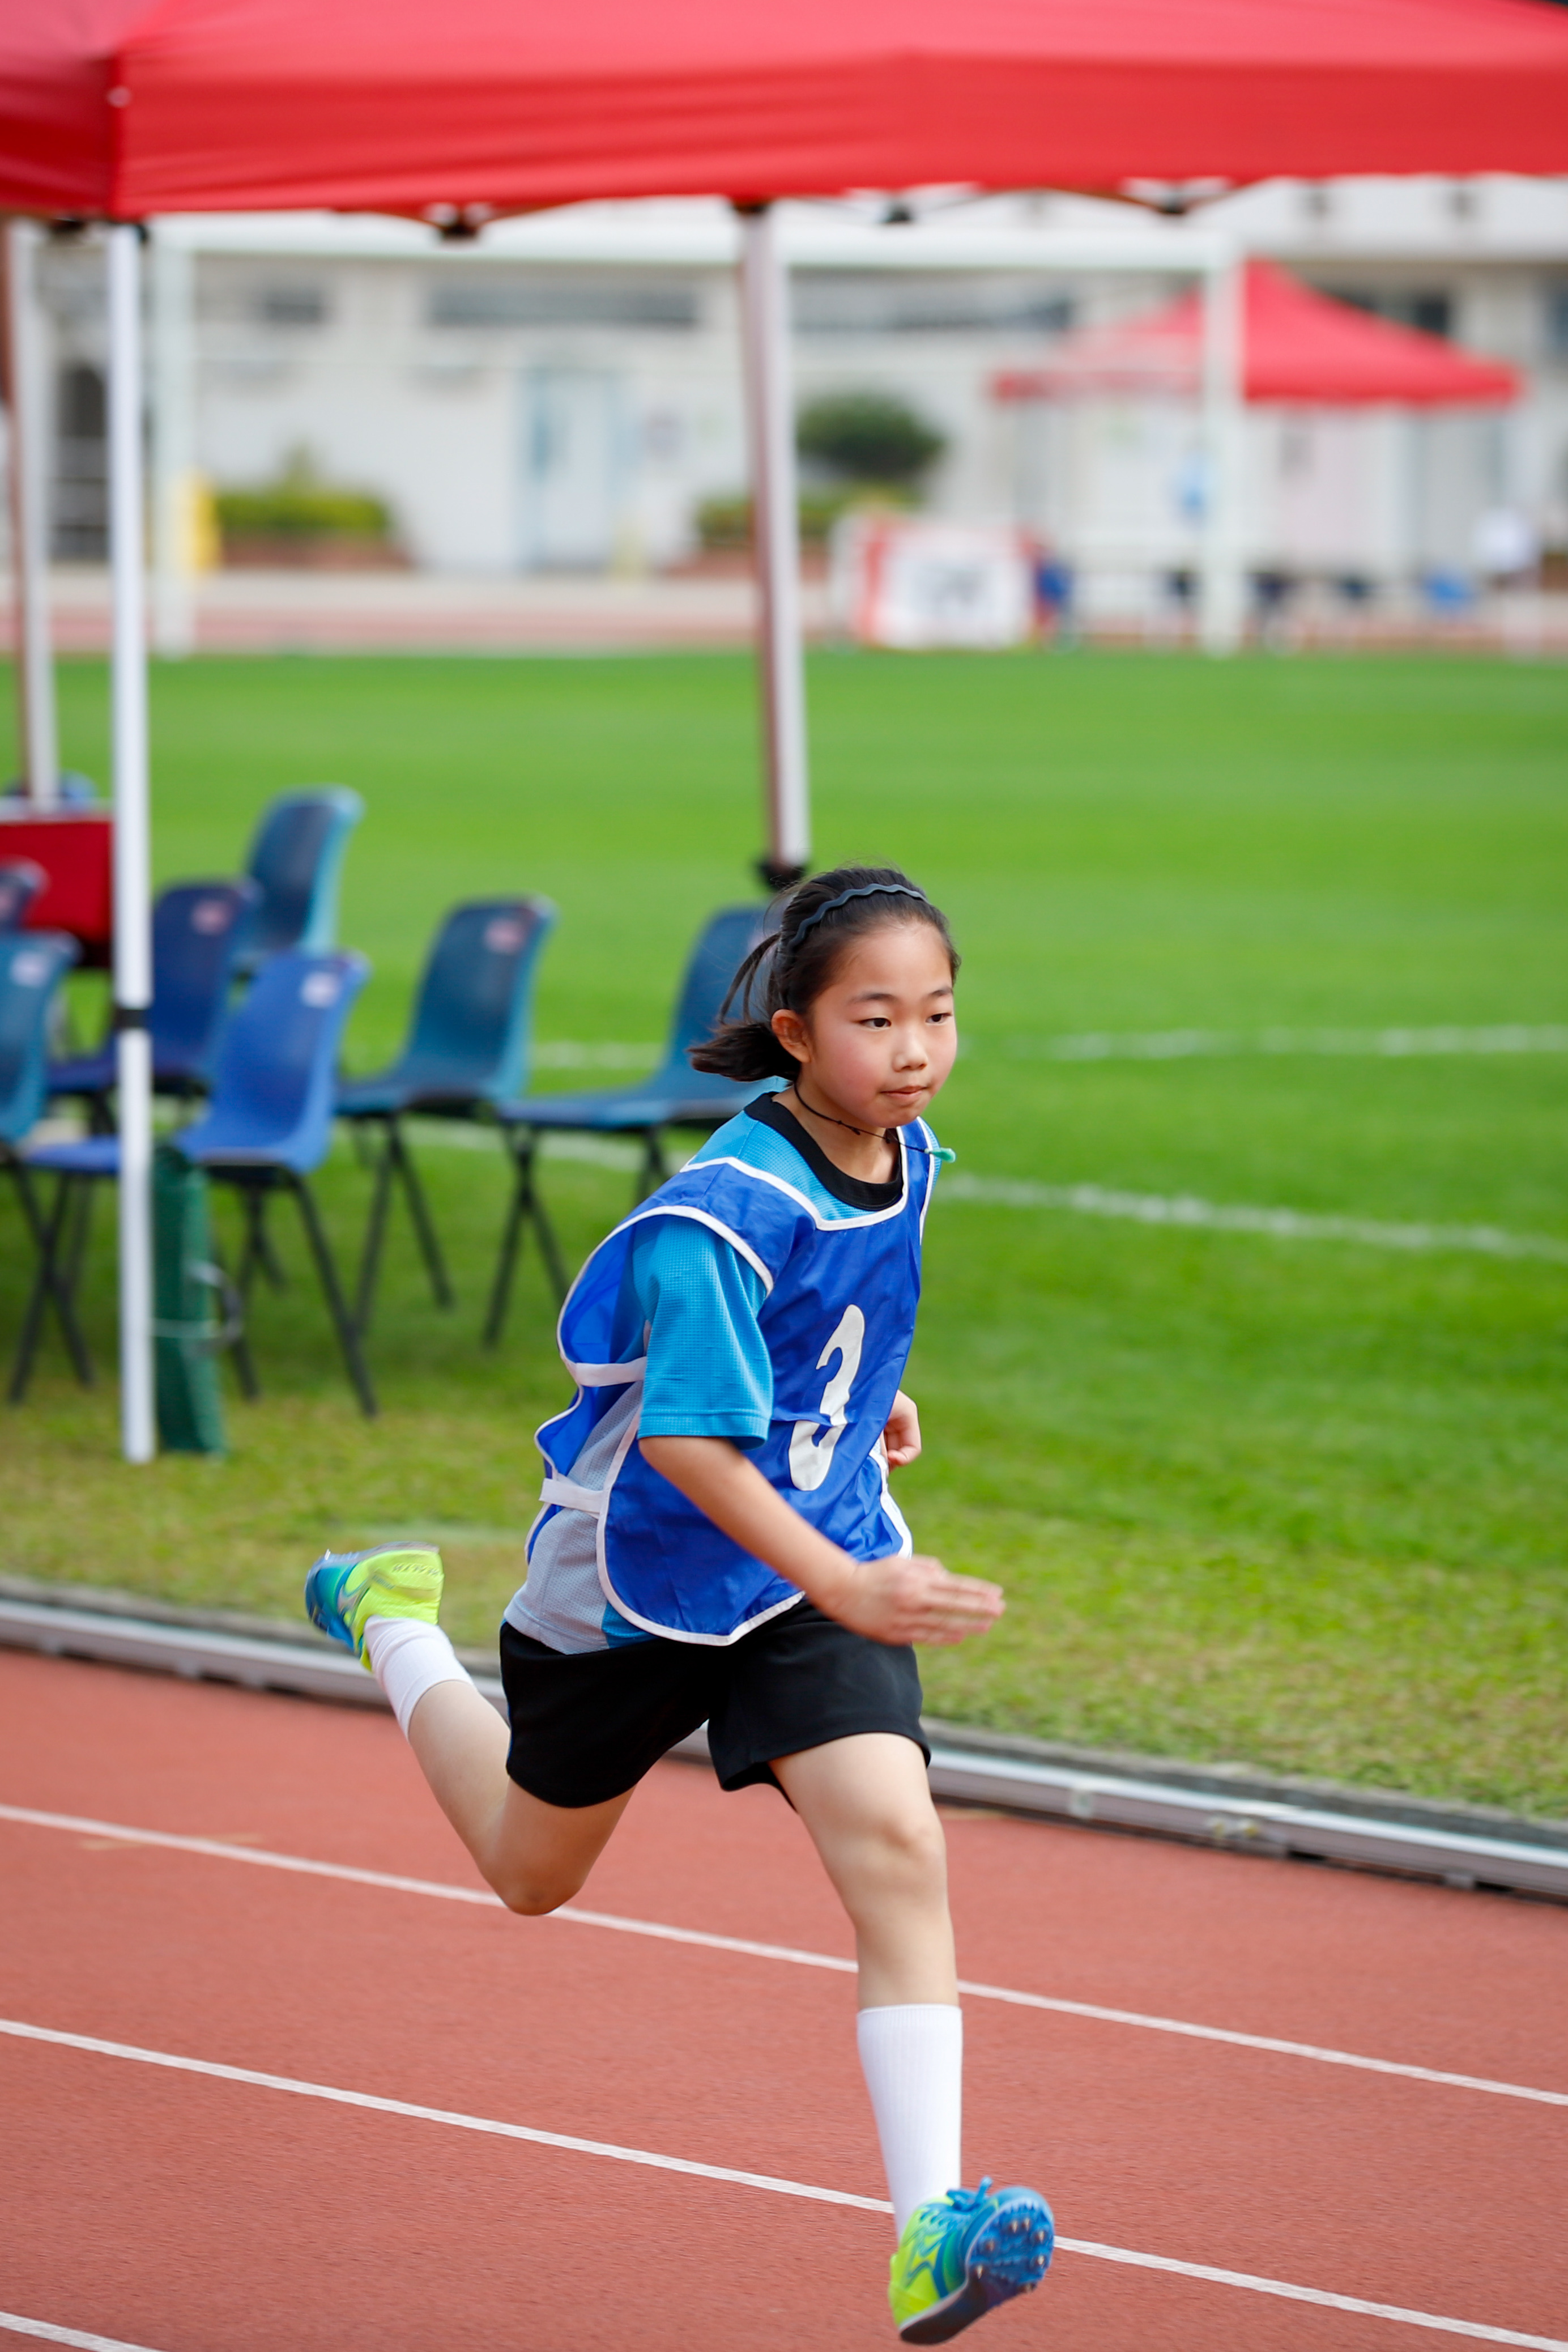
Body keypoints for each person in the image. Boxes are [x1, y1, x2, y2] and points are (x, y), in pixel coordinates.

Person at [304, 865, 1054, 2342]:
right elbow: (687, 1443)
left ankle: (930, 2230)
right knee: (530, 1873)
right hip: (641, 1582)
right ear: (795, 1034)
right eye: (877, 1020)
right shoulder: (721, 1212)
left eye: (939, 1015)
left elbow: (834, 1317)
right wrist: (848, 1578)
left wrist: (870, 1403)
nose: (915, 1051)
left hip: (805, 1566)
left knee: (900, 1842)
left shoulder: (904, 1151)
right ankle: (394, 1619)